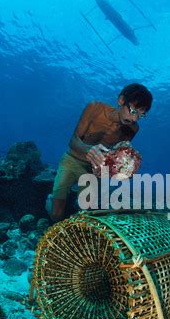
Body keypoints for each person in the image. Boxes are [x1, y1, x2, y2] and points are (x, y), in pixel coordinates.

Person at [46, 83, 153, 221]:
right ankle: (51, 200)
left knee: (87, 213)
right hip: (72, 160)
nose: (134, 119)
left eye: (141, 115)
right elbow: (73, 142)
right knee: (56, 215)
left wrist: (123, 168)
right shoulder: (95, 109)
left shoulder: (133, 129)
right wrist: (88, 150)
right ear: (121, 100)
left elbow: (116, 154)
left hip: (93, 171)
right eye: (133, 111)